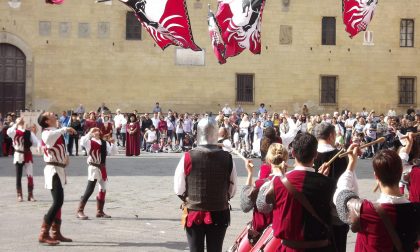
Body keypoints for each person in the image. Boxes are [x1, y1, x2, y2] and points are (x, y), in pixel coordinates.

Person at [256, 133, 335, 251]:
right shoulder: (328, 183)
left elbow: (262, 207)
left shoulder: (276, 181)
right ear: (315, 154)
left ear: (293, 153)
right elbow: (337, 217)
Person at [334, 146, 420, 251]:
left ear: (376, 176)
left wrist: (351, 164)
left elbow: (341, 193)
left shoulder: (364, 211)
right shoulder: (416, 210)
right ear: (401, 171)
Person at [174, 117, 238, 252]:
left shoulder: (187, 156)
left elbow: (179, 188)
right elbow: (232, 189)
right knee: (215, 249)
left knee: (195, 249)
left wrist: (187, 198)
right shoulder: (227, 157)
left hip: (194, 211)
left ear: (198, 133)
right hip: (219, 211)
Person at [37, 112, 76, 245]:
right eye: (49, 114)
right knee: (57, 201)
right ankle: (43, 233)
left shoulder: (55, 131)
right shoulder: (46, 132)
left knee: (59, 202)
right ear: (47, 121)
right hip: (52, 170)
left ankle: (56, 232)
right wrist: (64, 129)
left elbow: (60, 145)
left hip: (59, 169)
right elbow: (49, 140)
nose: (53, 114)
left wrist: (66, 155)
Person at [240, 143, 288, 248]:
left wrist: (249, 174)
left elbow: (245, 205)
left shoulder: (260, 184)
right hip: (284, 239)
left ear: (269, 160)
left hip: (261, 239)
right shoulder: (291, 185)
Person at [314, 123, 349, 252]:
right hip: (336, 208)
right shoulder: (341, 156)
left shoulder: (311, 154)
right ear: (331, 136)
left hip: (315, 208)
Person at [77, 127, 117, 220]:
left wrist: (113, 143)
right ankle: (80, 210)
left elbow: (113, 152)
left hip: (102, 167)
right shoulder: (89, 142)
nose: (96, 132)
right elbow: (82, 142)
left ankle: (100, 211)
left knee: (103, 189)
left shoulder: (104, 143)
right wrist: (90, 132)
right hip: (93, 167)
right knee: (90, 189)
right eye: (94, 131)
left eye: (97, 130)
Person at [7, 117, 39, 202]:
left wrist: (38, 143)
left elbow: (36, 143)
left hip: (28, 154)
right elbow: (8, 132)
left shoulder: (29, 133)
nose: (20, 120)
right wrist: (16, 124)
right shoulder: (14, 132)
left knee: (30, 175)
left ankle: (30, 195)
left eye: (21, 120)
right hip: (18, 155)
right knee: (19, 176)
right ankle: (19, 195)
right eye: (18, 119)